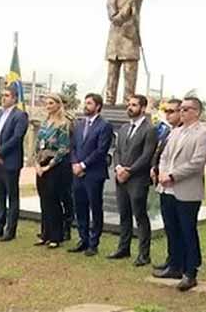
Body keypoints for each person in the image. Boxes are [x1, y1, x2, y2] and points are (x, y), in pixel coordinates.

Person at [153, 97, 206, 292]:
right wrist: (162, 173)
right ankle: (174, 265)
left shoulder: (203, 134)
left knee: (187, 231)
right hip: (166, 187)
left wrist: (172, 175)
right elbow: (164, 156)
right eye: (182, 109)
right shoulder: (175, 131)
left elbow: (197, 163)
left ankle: (190, 271)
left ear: (197, 112)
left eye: (187, 109)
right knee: (171, 228)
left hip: (186, 189)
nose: (183, 112)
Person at [110, 94, 158, 266]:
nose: (130, 107)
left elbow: (147, 156)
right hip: (121, 178)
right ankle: (124, 248)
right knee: (124, 215)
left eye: (134, 105)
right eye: (129, 104)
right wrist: (118, 168)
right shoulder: (123, 129)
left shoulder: (149, 129)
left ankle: (144, 255)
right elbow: (116, 152)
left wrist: (129, 171)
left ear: (143, 108)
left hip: (137, 179)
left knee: (140, 216)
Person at [68, 93, 114, 257]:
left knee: (95, 207)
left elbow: (101, 150)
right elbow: (72, 146)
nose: (85, 106)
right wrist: (74, 163)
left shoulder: (104, 126)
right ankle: (83, 239)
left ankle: (94, 243)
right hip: (77, 172)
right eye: (85, 102)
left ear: (98, 106)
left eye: (89, 103)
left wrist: (83, 165)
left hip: (93, 173)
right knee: (79, 206)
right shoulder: (79, 124)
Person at [0, 84, 29, 242]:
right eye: (2, 95)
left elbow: (16, 138)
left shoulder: (20, 115)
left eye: (7, 95)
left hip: (9, 161)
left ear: (15, 98)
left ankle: (10, 230)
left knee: (12, 196)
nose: (3, 98)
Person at [105, 0, 147, 106]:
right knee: (112, 67)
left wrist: (120, 16)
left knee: (130, 68)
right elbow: (110, 1)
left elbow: (132, 0)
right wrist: (112, 15)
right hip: (115, 30)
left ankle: (128, 102)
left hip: (129, 30)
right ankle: (108, 101)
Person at [35, 93, 74, 248]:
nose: (48, 106)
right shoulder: (45, 123)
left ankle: (56, 236)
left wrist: (48, 166)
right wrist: (37, 164)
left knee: (53, 200)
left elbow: (64, 148)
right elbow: (38, 144)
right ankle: (45, 233)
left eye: (51, 103)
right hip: (41, 163)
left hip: (55, 166)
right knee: (43, 200)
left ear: (58, 105)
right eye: (47, 103)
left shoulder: (63, 124)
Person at [151, 98, 183, 272]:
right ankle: (172, 260)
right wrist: (154, 168)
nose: (168, 114)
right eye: (166, 111)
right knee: (169, 226)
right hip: (163, 183)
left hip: (177, 184)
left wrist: (168, 175)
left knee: (179, 227)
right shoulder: (167, 131)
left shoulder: (183, 133)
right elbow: (159, 153)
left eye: (172, 111)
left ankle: (179, 264)